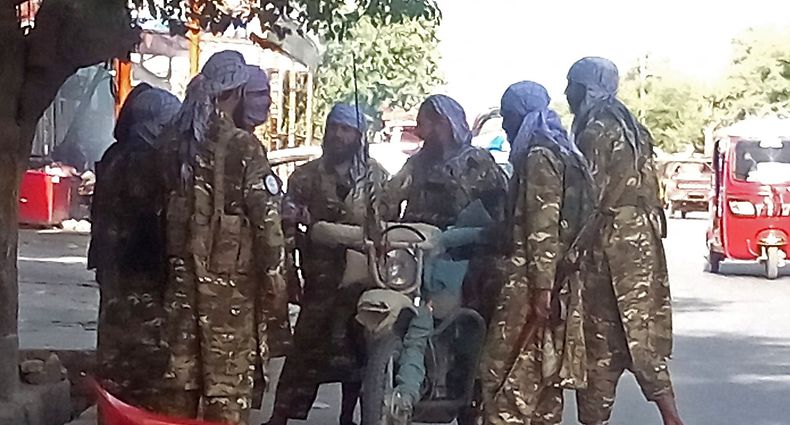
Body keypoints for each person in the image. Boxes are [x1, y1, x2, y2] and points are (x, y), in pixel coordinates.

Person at [157, 50, 286, 425]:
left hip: (179, 290)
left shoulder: (174, 141)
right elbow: (268, 225)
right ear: (237, 92)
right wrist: (275, 287)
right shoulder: (243, 146)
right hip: (230, 297)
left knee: (179, 391)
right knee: (226, 398)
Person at [565, 57, 684, 425]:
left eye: (571, 85)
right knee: (637, 337)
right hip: (641, 246)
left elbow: (589, 197)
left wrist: (565, 254)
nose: (566, 94)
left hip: (609, 249)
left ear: (585, 88)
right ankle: (671, 417)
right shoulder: (631, 125)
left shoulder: (595, 129)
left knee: (601, 339)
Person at [266, 103, 389, 425]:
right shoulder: (304, 177)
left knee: (358, 353)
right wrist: (288, 276)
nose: (338, 135)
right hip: (319, 281)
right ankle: (280, 416)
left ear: (359, 136)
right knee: (304, 350)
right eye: (334, 127)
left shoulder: (376, 178)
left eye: (346, 129)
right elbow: (287, 233)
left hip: (361, 281)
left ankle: (349, 417)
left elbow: (386, 227)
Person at [477, 81, 591, 425]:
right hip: (562, 281)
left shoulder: (539, 155)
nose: (508, 128)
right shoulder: (564, 151)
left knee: (502, 371)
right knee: (544, 375)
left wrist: (542, 290)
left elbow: (543, 227)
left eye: (509, 118)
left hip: (531, 282)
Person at [89, 84, 181, 410]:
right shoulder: (145, 162)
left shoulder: (116, 154)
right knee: (141, 369)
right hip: (138, 276)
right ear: (155, 124)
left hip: (114, 270)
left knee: (114, 362)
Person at [380, 94, 508, 321]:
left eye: (423, 124)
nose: (419, 132)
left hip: (462, 259)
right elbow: (389, 200)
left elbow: (498, 212)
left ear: (443, 123)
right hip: (416, 255)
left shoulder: (477, 161)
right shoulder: (416, 164)